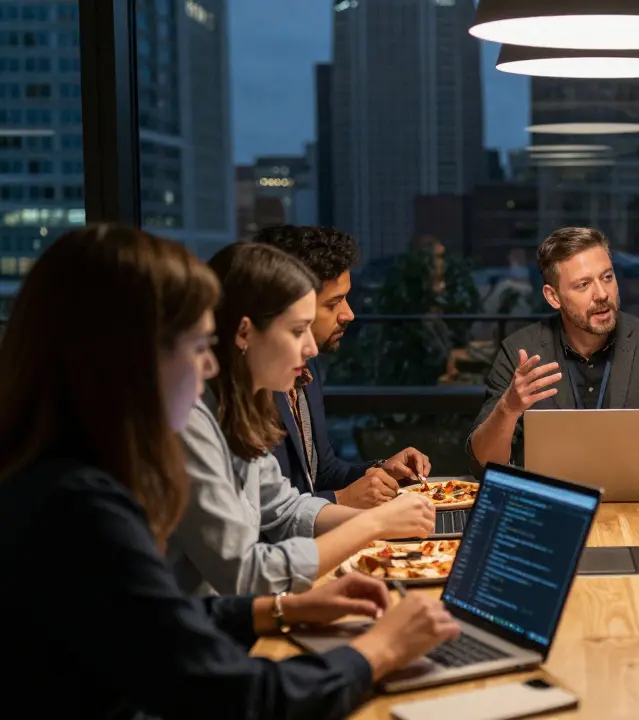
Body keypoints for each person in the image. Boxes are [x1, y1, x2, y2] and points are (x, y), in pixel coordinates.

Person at [0, 225, 460, 718]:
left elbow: (158, 623)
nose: (211, 368)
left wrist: (281, 609)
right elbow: (239, 696)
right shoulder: (80, 506)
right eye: (198, 347)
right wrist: (379, 651)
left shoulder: (61, 477)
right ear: (128, 357)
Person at [171, 242, 437, 596]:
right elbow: (240, 572)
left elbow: (284, 508)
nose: (310, 349)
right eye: (298, 331)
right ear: (244, 333)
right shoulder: (190, 421)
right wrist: (374, 524)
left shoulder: (241, 408)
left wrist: (385, 522)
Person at [467, 227, 639, 477]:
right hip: (551, 507)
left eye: (607, 277)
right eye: (583, 285)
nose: (602, 294)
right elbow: (483, 463)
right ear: (553, 297)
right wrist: (508, 409)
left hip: (635, 505)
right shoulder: (520, 351)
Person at [255, 225, 430, 509]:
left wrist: (380, 472)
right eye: (334, 303)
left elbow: (322, 472)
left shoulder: (307, 365)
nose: (349, 314)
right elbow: (262, 514)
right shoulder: (247, 384)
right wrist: (339, 500)